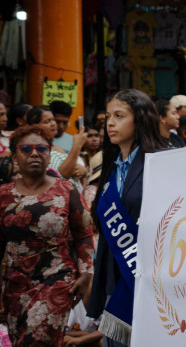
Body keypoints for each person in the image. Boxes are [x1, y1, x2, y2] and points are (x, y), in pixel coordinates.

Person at [0, 124, 94, 345]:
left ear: (49, 154)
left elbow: (84, 234)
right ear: (15, 157)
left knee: (38, 339)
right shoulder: (3, 195)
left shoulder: (67, 190)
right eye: (26, 149)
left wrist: (86, 273)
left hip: (56, 279)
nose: (34, 153)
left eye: (41, 149)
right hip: (15, 284)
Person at [88, 89, 162, 346]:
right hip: (113, 279)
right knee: (114, 342)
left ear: (140, 118)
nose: (110, 123)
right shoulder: (109, 167)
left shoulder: (162, 161)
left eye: (119, 116)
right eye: (108, 116)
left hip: (153, 281)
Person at [27, 105, 88, 184]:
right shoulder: (38, 149)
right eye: (47, 121)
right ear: (35, 126)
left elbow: (73, 171)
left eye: (53, 120)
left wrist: (83, 171)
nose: (53, 124)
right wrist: (77, 145)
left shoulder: (56, 148)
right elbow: (64, 174)